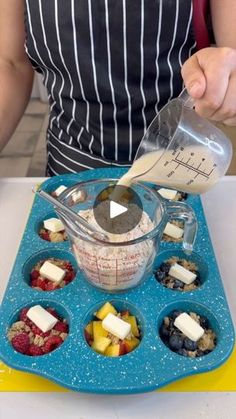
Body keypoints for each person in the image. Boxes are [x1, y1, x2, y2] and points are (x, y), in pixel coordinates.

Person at [0, 0, 235, 176]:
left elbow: (232, 56)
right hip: (70, 167)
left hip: (177, 166)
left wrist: (227, 81)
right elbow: (10, 64)